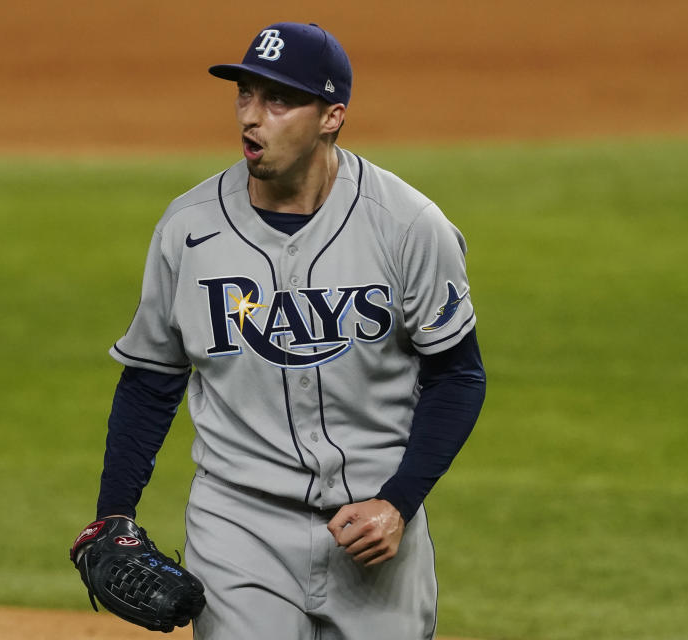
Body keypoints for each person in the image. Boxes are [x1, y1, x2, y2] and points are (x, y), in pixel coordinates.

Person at [91, 22, 486, 640]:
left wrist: (399, 501)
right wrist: (112, 513)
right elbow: (152, 379)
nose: (253, 117)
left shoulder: (408, 226)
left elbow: (457, 375)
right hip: (237, 528)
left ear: (332, 116)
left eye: (278, 100)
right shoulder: (188, 229)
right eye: (245, 94)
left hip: (374, 530)